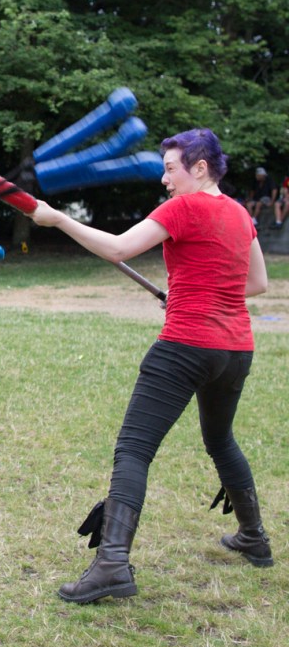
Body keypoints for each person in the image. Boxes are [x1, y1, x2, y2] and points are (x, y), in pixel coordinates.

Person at [30, 128, 272, 604]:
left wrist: (58, 220)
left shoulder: (185, 207)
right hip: (236, 348)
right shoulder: (241, 214)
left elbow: (119, 248)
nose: (165, 180)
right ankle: (254, 537)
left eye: (170, 169)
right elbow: (258, 282)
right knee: (220, 439)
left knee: (134, 449)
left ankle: (112, 565)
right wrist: (199, 294)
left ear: (199, 167)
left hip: (186, 345)